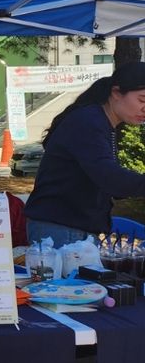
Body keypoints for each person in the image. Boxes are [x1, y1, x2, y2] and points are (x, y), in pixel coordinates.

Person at [25, 62, 145, 248]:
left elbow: (110, 183)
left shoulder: (101, 122)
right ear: (116, 93)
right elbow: (109, 177)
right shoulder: (88, 122)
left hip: (70, 228)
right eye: (142, 100)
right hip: (61, 230)